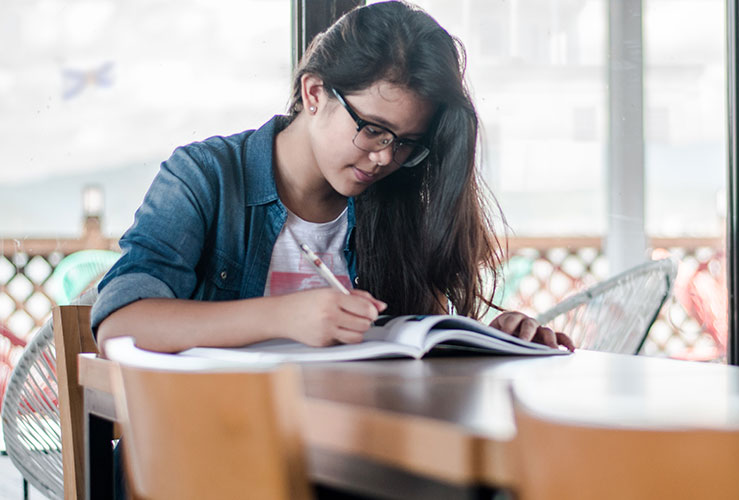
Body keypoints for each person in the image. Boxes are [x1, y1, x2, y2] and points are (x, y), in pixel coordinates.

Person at [92, 1, 575, 354]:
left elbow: (419, 344)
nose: (386, 158)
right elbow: (120, 323)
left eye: (405, 142)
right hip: (208, 450)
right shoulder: (205, 177)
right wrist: (284, 316)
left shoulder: (393, 199)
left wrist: (494, 338)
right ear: (316, 92)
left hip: (346, 449)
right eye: (373, 130)